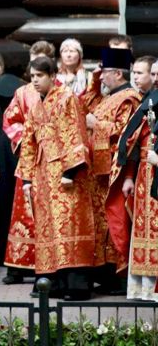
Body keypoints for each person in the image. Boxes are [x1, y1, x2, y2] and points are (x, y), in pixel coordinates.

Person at [17, 56, 95, 300]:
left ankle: (76, 286)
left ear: (52, 76)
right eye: (32, 76)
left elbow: (75, 133)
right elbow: (28, 143)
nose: (35, 81)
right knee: (48, 228)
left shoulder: (67, 98)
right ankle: (54, 283)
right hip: (42, 175)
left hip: (65, 173)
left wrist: (70, 171)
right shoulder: (35, 106)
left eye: (40, 76)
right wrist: (27, 179)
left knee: (69, 225)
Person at [84, 48, 141, 294]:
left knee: (115, 222)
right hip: (99, 172)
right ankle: (105, 275)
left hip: (116, 170)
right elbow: (84, 105)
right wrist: (94, 82)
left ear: (118, 73)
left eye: (105, 72)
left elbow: (127, 133)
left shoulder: (129, 98)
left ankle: (119, 276)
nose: (102, 76)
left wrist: (96, 124)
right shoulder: (109, 96)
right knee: (102, 225)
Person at [2, 42, 56, 284]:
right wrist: (27, 138)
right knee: (24, 213)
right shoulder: (22, 93)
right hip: (29, 159)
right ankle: (18, 266)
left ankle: (48, 267)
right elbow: (10, 120)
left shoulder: (61, 92)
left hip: (52, 160)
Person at [115, 88, 158, 300]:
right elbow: (132, 145)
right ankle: (142, 289)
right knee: (142, 229)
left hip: (155, 171)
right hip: (143, 176)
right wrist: (129, 176)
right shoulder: (146, 107)